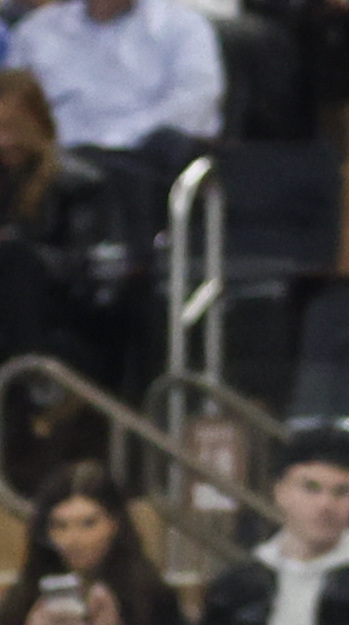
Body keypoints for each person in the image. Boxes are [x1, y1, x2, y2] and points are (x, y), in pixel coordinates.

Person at [0, 65, 139, 377]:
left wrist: (20, 252)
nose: (4, 141)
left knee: (16, 262)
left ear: (37, 123)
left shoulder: (79, 184)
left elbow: (93, 270)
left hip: (66, 313)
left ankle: (30, 381)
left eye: (12, 129)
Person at [201, 437, 349, 625]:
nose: (325, 504)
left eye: (341, 492)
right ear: (280, 493)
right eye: (311, 488)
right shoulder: (236, 587)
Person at [6, 0, 217, 151]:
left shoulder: (184, 28)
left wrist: (113, 140)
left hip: (139, 157)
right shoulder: (37, 30)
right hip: (50, 161)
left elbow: (193, 108)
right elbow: (11, 101)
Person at [2, 459, 178, 625]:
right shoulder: (24, 598)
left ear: (115, 524)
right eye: (60, 525)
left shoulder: (152, 596)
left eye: (88, 523)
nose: (73, 539)